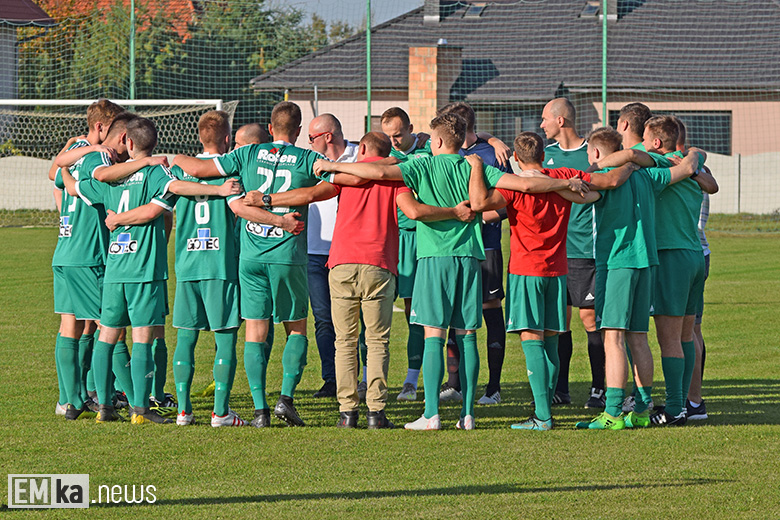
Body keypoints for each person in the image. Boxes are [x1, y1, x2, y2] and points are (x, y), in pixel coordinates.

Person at [314, 113, 505, 430]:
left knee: (414, 335)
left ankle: (418, 413)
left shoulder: (420, 166)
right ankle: (465, 414)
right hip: (470, 256)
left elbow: (390, 185)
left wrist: (334, 168)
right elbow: (520, 185)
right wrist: (559, 181)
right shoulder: (476, 164)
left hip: (429, 256)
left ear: (437, 140)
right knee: (466, 335)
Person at [60, 117, 241, 424]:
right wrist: (221, 191)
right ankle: (141, 408)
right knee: (143, 335)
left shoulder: (111, 177)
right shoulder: (158, 173)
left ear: (128, 143)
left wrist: (63, 166)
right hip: (144, 269)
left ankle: (105, 406)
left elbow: (74, 187)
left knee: (108, 335)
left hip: (115, 267)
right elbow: (164, 200)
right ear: (154, 143)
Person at [172, 101, 326, 427]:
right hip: (287, 255)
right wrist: (290, 202)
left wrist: (166, 158)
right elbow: (328, 185)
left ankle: (260, 410)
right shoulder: (308, 157)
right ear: (298, 131)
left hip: (251, 256)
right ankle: (285, 398)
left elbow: (197, 168)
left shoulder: (247, 155)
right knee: (296, 327)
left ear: (270, 129)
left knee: (255, 331)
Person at [574, 127, 705, 430]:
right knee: (638, 337)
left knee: (613, 337)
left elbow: (586, 190)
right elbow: (687, 172)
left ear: (595, 153)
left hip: (618, 261)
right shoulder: (648, 176)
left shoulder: (606, 174)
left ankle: (612, 413)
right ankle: (643, 409)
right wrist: (694, 155)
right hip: (647, 262)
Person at [467, 131, 600, 430]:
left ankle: (542, 415)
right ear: (544, 154)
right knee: (552, 337)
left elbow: (480, 204)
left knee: (532, 339)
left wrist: (477, 168)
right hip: (558, 269)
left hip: (526, 270)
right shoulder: (563, 175)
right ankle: (546, 403)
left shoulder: (516, 188)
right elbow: (595, 187)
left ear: (516, 158)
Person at [641, 116, 717, 426]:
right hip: (694, 256)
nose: (641, 145)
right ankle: (688, 402)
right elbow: (709, 180)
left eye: (645, 140)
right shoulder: (691, 167)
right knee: (687, 334)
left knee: (668, 337)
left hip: (670, 256)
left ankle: (674, 409)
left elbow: (633, 158)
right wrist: (694, 158)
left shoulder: (659, 168)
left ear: (656, 143)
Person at [49, 98, 124, 416]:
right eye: (117, 130)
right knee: (110, 324)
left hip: (65, 250)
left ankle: (72, 399)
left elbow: (55, 173)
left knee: (74, 324)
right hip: (88, 253)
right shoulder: (98, 157)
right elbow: (105, 181)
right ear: (101, 127)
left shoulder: (74, 153)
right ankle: (131, 399)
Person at [436, 102, 510, 406]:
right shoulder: (441, 153)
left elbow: (507, 204)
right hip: (452, 246)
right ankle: (455, 384)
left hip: (486, 246)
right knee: (454, 312)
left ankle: (493, 387)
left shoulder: (492, 155)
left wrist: (476, 217)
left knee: (490, 309)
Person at [539, 97, 605, 409]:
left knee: (589, 318)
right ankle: (560, 388)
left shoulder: (591, 153)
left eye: (545, 119)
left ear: (560, 120)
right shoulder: (546, 155)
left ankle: (598, 388)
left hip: (585, 250)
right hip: (553, 251)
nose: (541, 125)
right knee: (558, 322)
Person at [305, 114, 359, 399]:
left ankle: (357, 380)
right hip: (315, 251)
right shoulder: (309, 161)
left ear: (328, 136)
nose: (309, 143)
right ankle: (331, 379)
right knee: (323, 319)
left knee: (353, 320)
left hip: (349, 252)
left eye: (312, 138)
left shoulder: (360, 153)